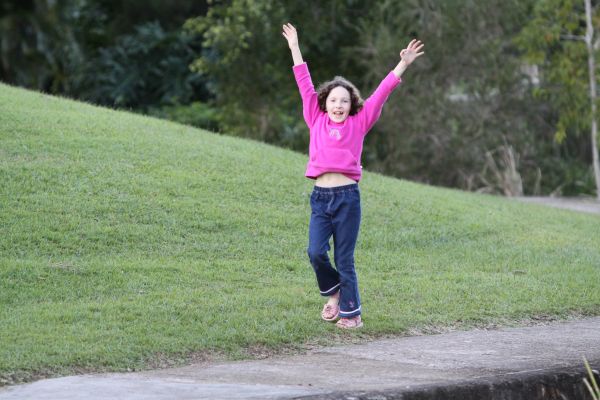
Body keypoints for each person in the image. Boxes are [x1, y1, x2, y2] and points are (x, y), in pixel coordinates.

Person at [282, 23, 424, 329]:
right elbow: (303, 82)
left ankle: (352, 315)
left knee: (344, 259)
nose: (338, 105)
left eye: (344, 101)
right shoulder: (315, 117)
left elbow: (382, 92)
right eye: (333, 100)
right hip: (321, 199)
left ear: (352, 105)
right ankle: (333, 292)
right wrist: (295, 47)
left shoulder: (360, 122)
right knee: (315, 252)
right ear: (325, 103)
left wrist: (403, 63)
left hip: (347, 199)